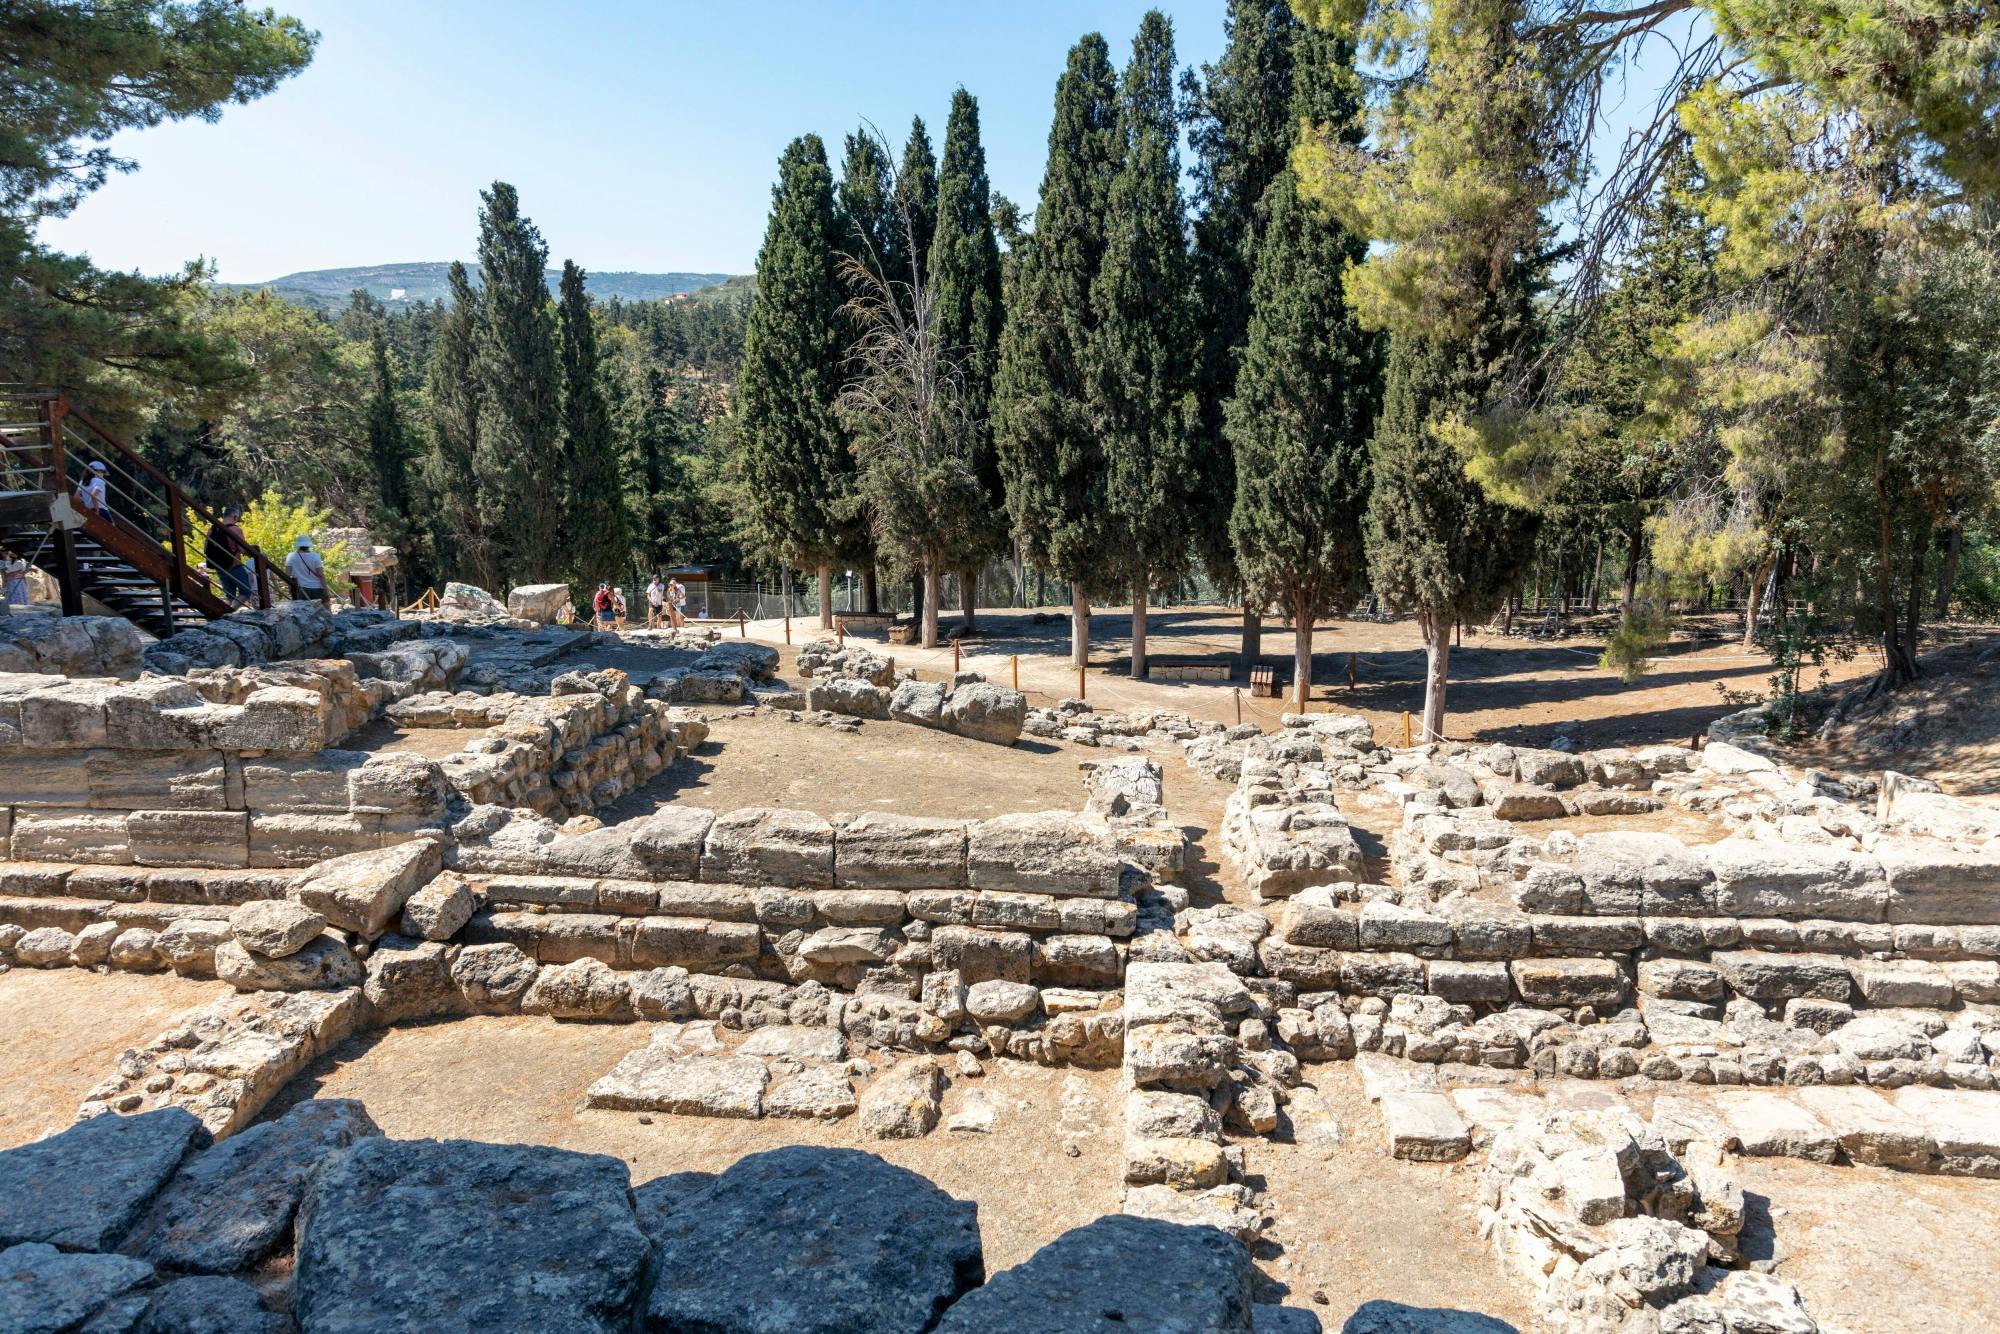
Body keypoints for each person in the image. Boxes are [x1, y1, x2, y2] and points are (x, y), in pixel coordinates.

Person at [205, 506, 254, 606]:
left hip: (219, 567)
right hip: (234, 567)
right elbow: (243, 549)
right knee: (246, 592)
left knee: (229, 596)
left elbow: (206, 548)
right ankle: (230, 612)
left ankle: (226, 613)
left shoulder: (212, 529)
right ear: (235, 517)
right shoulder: (236, 530)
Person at [285, 534, 329, 606]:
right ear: (308, 545)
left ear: (298, 545)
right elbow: (321, 575)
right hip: (317, 588)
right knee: (322, 612)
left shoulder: (291, 556)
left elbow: (287, 575)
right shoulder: (315, 556)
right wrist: (326, 590)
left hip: (301, 589)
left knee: (303, 613)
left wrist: (290, 588)